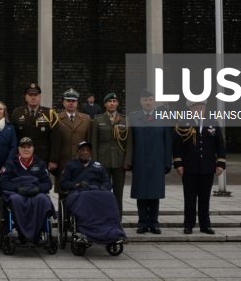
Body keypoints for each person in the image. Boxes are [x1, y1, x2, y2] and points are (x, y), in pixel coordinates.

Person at [173, 99, 226, 235]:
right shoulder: (183, 123)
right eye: (196, 108)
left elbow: (220, 144)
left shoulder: (212, 123)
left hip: (207, 167)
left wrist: (220, 163)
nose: (199, 110)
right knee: (189, 198)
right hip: (189, 167)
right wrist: (178, 163)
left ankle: (205, 225)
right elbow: (177, 145)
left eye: (201, 108)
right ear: (190, 109)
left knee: (204, 198)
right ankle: (188, 224)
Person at [60, 141, 126, 244]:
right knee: (85, 197)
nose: (85, 152)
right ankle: (85, 230)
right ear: (78, 152)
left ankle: (113, 230)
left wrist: (102, 188)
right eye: (82, 150)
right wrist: (77, 185)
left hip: (96, 191)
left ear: (91, 152)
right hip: (78, 192)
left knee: (110, 196)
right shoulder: (70, 165)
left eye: (87, 150)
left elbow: (107, 182)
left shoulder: (98, 166)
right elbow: (63, 184)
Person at [128, 89, 171, 234]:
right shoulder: (133, 118)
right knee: (141, 193)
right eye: (145, 100)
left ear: (154, 102)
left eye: (150, 100)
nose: (148, 102)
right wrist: (130, 161)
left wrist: (167, 162)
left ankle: (154, 222)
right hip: (139, 161)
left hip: (157, 161)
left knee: (154, 193)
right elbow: (130, 142)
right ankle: (142, 222)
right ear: (141, 102)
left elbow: (168, 141)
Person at [0, 137, 55, 243]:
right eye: (23, 147)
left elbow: (47, 183)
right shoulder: (11, 164)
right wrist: (16, 188)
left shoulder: (40, 164)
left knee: (43, 199)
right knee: (15, 199)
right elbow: (2, 182)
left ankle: (38, 232)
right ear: (18, 149)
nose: (26, 150)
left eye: (29, 147)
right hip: (18, 192)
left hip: (35, 192)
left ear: (33, 149)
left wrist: (38, 189)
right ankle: (22, 232)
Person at [90, 92, 132, 218]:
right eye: (109, 101)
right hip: (103, 161)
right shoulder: (98, 120)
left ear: (117, 103)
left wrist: (127, 161)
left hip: (119, 161)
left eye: (114, 101)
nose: (112, 104)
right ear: (105, 104)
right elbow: (94, 143)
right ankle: (103, 218)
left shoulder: (125, 120)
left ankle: (117, 219)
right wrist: (95, 162)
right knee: (103, 191)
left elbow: (129, 143)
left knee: (118, 193)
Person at [10, 83, 61, 176]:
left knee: (42, 186)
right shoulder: (17, 113)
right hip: (22, 158)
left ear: (40, 97)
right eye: (30, 95)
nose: (33, 98)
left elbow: (56, 139)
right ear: (25, 97)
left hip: (42, 157)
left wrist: (53, 160)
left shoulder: (50, 114)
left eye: (36, 95)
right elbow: (14, 138)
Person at [55, 88, 91, 194]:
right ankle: (63, 211)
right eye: (68, 101)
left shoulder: (86, 119)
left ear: (77, 103)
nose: (71, 103)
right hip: (63, 161)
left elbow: (89, 141)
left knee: (81, 191)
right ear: (63, 102)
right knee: (63, 192)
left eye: (73, 101)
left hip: (81, 161)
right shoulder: (56, 118)